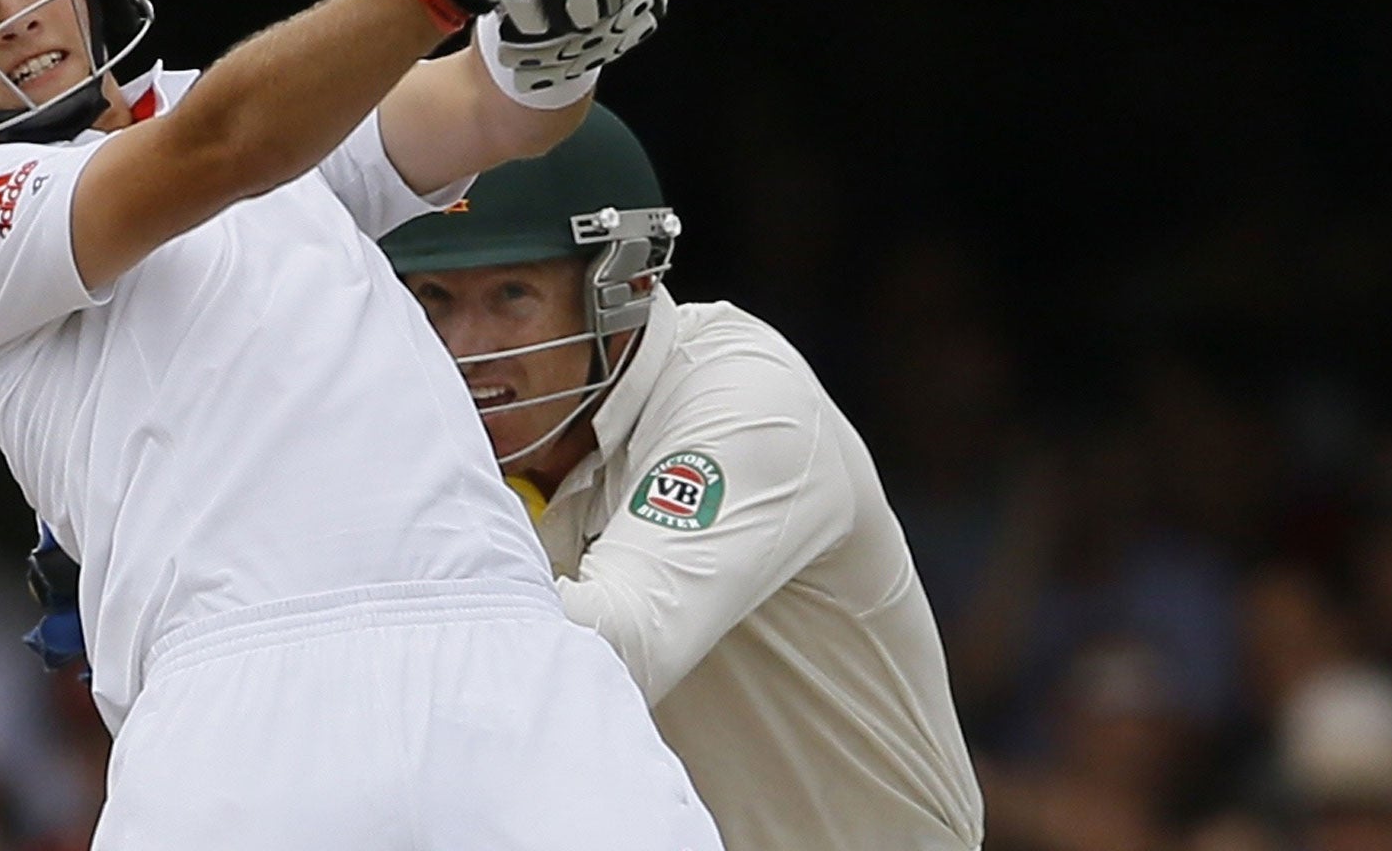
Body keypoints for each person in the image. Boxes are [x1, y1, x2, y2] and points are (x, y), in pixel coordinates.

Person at [0, 0, 717, 850]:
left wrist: (555, 24)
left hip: (501, 645)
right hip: (238, 706)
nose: (14, 16)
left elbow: (488, 109)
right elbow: (227, 148)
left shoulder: (249, 105)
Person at [379, 104, 986, 851]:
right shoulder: (435, 436)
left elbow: (610, 649)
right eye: (435, 298)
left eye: (511, 295)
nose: (464, 350)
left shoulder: (745, 394)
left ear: (622, 286)